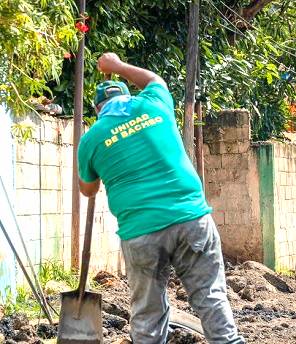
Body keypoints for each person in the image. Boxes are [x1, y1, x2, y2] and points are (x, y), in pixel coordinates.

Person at [77, 53, 244, 344]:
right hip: (191, 219)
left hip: (141, 232)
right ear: (129, 96)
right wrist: (116, 67)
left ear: (98, 109)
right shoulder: (154, 103)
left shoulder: (91, 138)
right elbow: (155, 79)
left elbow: (88, 190)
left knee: (147, 314)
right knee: (211, 299)